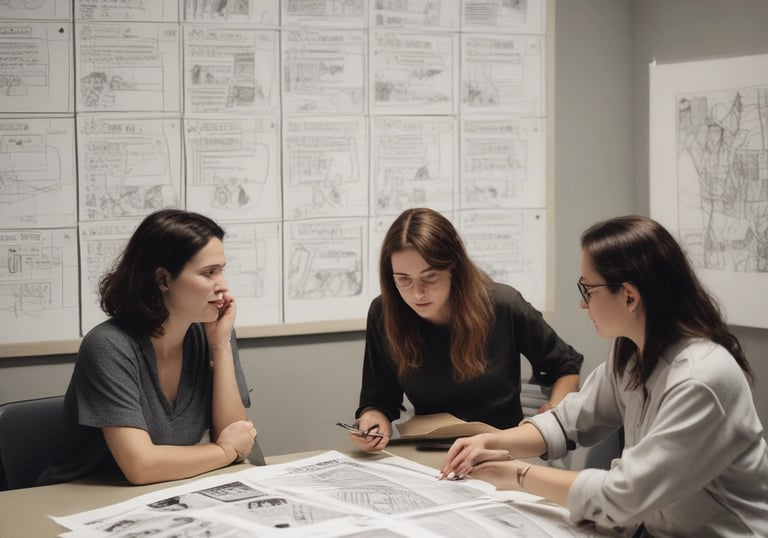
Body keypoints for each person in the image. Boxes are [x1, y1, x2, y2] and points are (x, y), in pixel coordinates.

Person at [441, 215, 768, 537]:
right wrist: (493, 441)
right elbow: (570, 421)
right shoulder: (631, 351)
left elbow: (624, 494)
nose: (583, 305)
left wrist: (516, 474)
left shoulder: (701, 379)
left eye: (588, 289)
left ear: (629, 295)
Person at [38, 209, 256, 486]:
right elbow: (141, 467)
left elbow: (237, 436)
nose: (223, 286)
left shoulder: (212, 332)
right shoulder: (109, 345)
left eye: (222, 271)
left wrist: (220, 346)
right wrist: (223, 451)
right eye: (209, 273)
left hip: (159, 492)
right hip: (79, 501)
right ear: (163, 279)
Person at [349, 207, 583, 451]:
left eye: (430, 278)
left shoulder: (502, 305)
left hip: (500, 449)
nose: (417, 293)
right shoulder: (384, 313)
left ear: (454, 268)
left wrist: (554, 413)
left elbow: (565, 365)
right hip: (431, 451)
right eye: (403, 279)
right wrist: (373, 421)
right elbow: (378, 399)